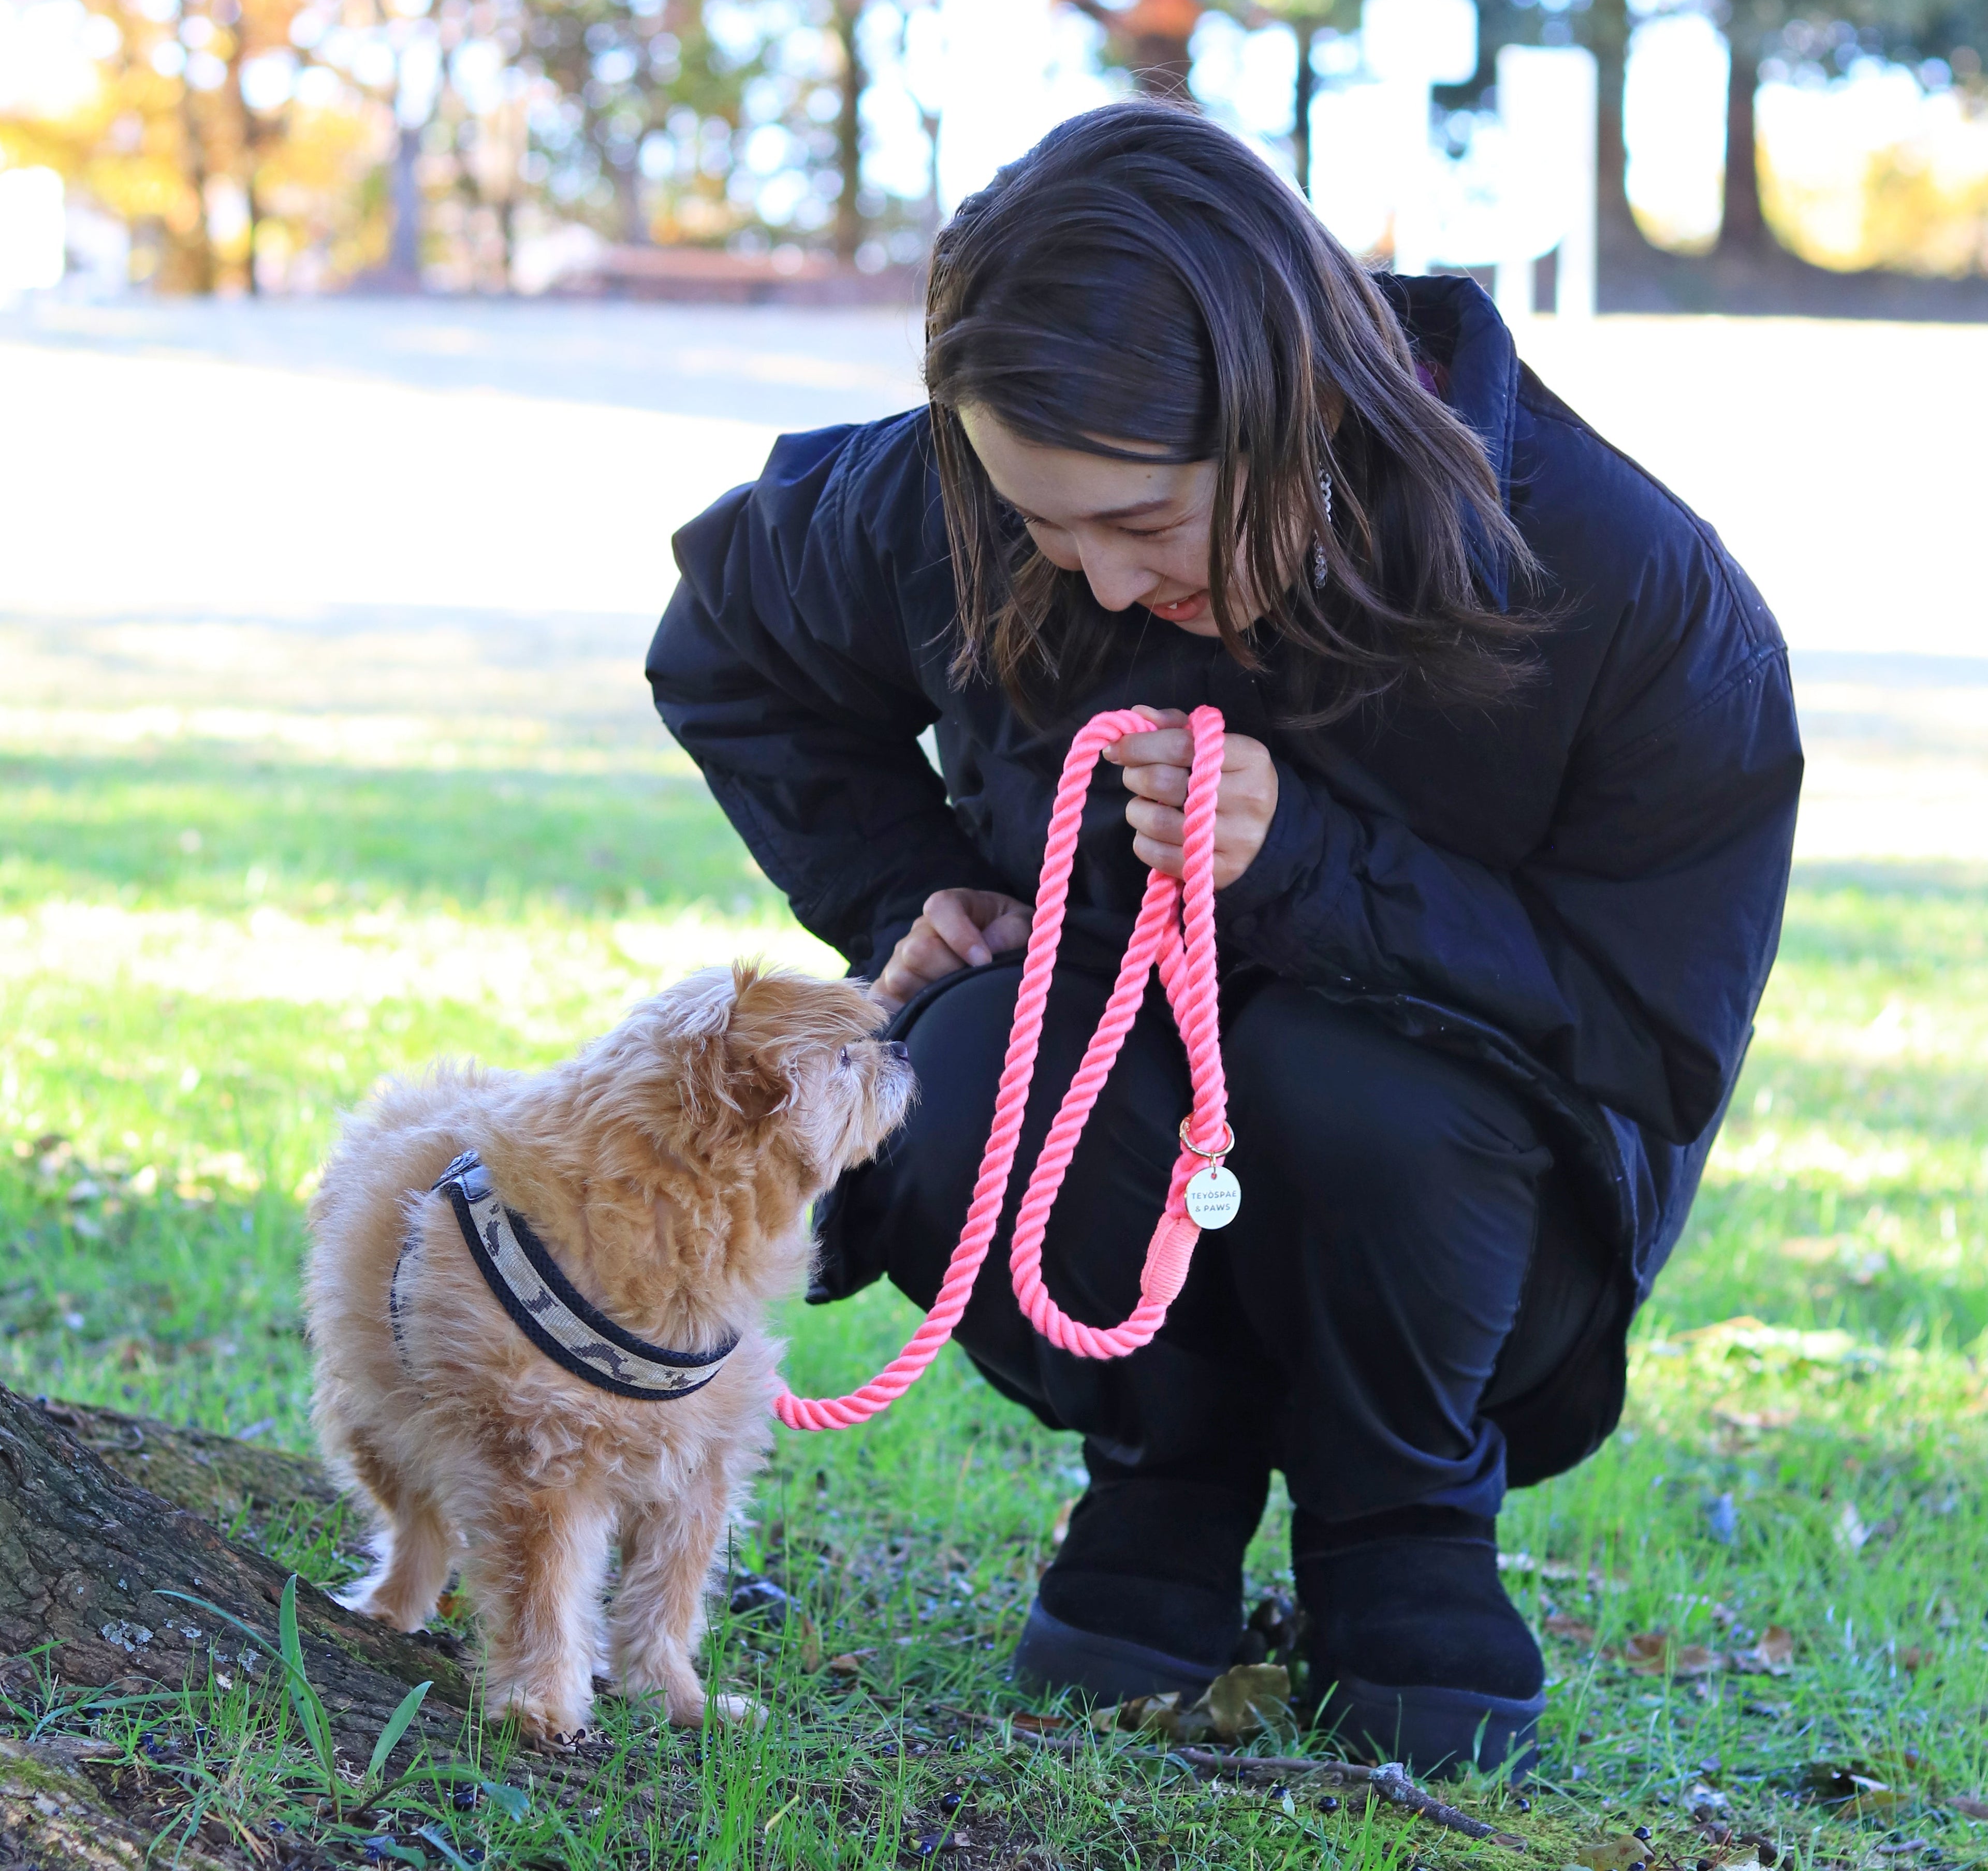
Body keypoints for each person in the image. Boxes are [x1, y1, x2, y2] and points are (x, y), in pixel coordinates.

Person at [648, 101, 1801, 1776]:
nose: (1102, 585)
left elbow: (1654, 1029)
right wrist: (910, 887)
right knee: (963, 1058)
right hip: (1097, 1176)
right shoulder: (956, 494)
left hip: (1468, 1232)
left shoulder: (1629, 587)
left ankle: (1403, 1521)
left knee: (1333, 1073)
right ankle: (1160, 1477)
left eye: (1141, 527)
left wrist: (1305, 863)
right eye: (1047, 531)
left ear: (1298, 408)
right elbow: (730, 647)